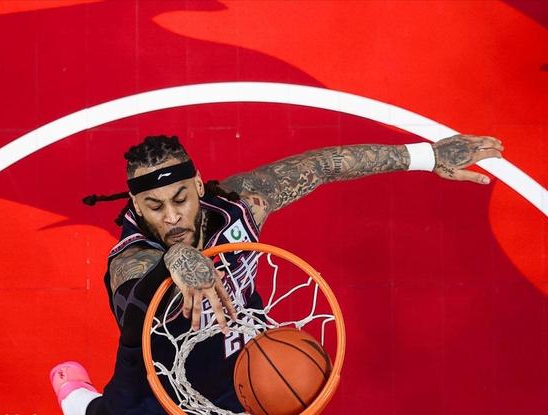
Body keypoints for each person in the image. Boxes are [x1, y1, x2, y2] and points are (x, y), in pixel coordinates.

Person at [50, 134, 503, 414]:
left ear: (199, 184)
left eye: (180, 198)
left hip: (244, 361)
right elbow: (135, 295)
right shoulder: (131, 258)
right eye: (154, 206)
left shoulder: (240, 207)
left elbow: (320, 167)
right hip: (157, 390)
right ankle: (78, 399)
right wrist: (174, 260)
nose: (171, 217)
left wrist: (427, 156)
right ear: (135, 205)